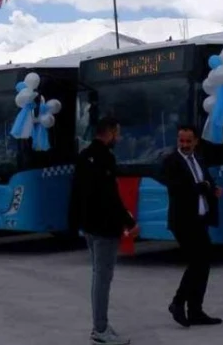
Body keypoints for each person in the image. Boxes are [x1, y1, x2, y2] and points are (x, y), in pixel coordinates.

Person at [68, 115, 137, 345]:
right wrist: (128, 221)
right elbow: (110, 196)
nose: (119, 137)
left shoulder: (83, 156)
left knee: (99, 275)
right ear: (109, 132)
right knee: (102, 278)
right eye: (117, 132)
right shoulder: (104, 157)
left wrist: (76, 222)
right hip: (104, 227)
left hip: (89, 226)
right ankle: (100, 329)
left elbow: (76, 193)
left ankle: (101, 325)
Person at [161, 125, 223, 327]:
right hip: (183, 221)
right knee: (197, 261)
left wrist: (213, 189)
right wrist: (202, 187)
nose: (185, 145)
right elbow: (178, 188)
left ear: (196, 141)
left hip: (200, 219)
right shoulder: (172, 161)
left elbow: (206, 182)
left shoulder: (199, 159)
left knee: (204, 262)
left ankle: (195, 310)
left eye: (189, 141)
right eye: (182, 141)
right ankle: (178, 302)